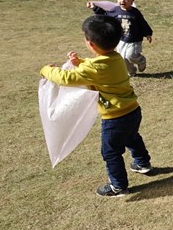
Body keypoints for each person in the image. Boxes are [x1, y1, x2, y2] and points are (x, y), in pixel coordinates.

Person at [40, 15, 153, 197]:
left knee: (110, 152)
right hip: (133, 110)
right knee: (132, 137)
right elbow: (98, 67)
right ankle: (143, 163)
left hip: (115, 118)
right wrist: (80, 62)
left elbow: (66, 78)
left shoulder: (95, 68)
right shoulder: (116, 57)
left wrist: (46, 70)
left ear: (91, 44)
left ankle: (118, 186)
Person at [86, 0, 153, 77]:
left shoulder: (135, 13)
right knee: (122, 58)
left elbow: (142, 23)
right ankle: (131, 71)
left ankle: (141, 61)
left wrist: (148, 33)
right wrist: (95, 8)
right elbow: (105, 15)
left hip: (134, 40)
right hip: (121, 39)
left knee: (130, 55)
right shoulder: (115, 10)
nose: (122, 0)